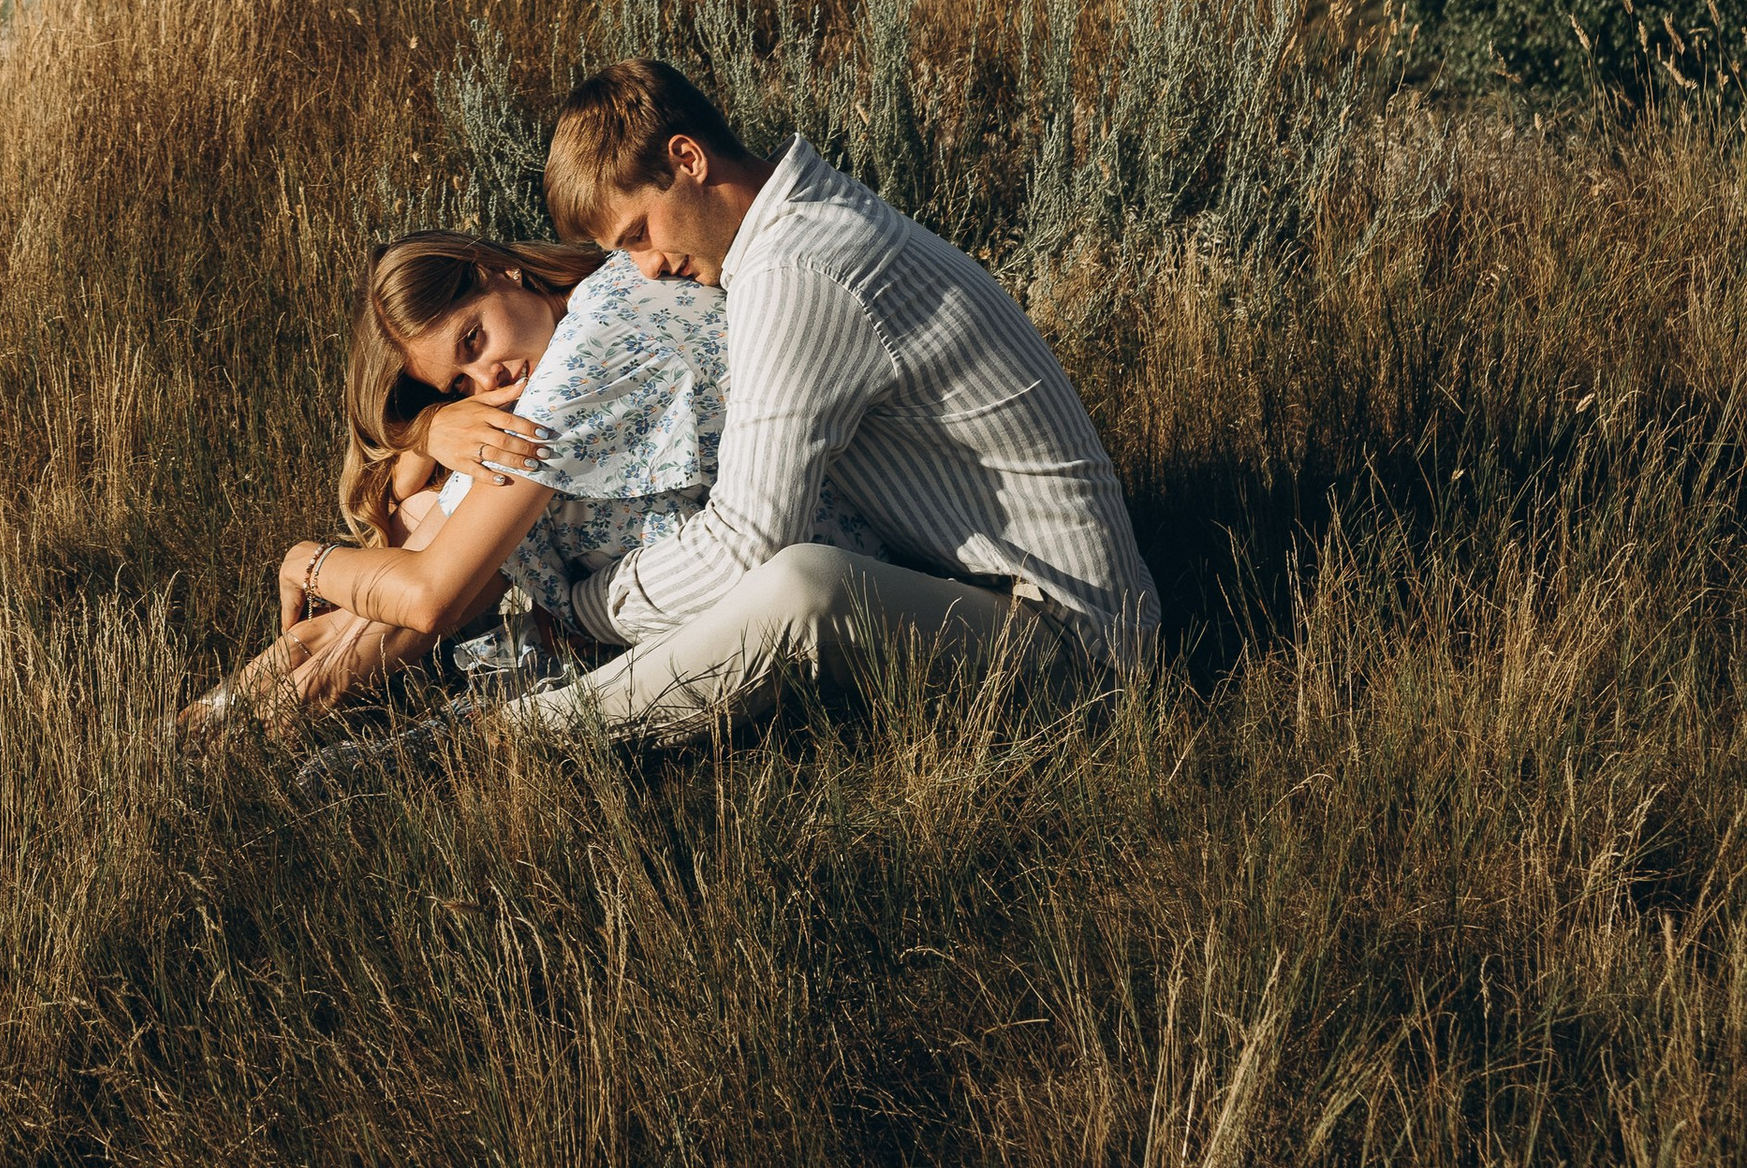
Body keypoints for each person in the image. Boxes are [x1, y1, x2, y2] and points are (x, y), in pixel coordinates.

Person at [451, 57, 1161, 751]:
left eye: (638, 232)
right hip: (987, 596)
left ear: (688, 157)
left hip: (1078, 650)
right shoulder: (800, 220)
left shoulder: (797, 270)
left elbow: (743, 545)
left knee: (799, 590)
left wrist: (585, 607)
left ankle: (522, 736)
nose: (645, 267)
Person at [192, 227, 734, 734]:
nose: (487, 381)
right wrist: (429, 427)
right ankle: (222, 721)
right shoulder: (613, 277)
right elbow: (404, 491)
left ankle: (258, 724)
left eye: (473, 341)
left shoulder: (573, 368)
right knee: (433, 512)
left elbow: (430, 599)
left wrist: (308, 562)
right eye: (459, 383)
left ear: (498, 270)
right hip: (695, 523)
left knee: (462, 504)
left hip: (711, 561)